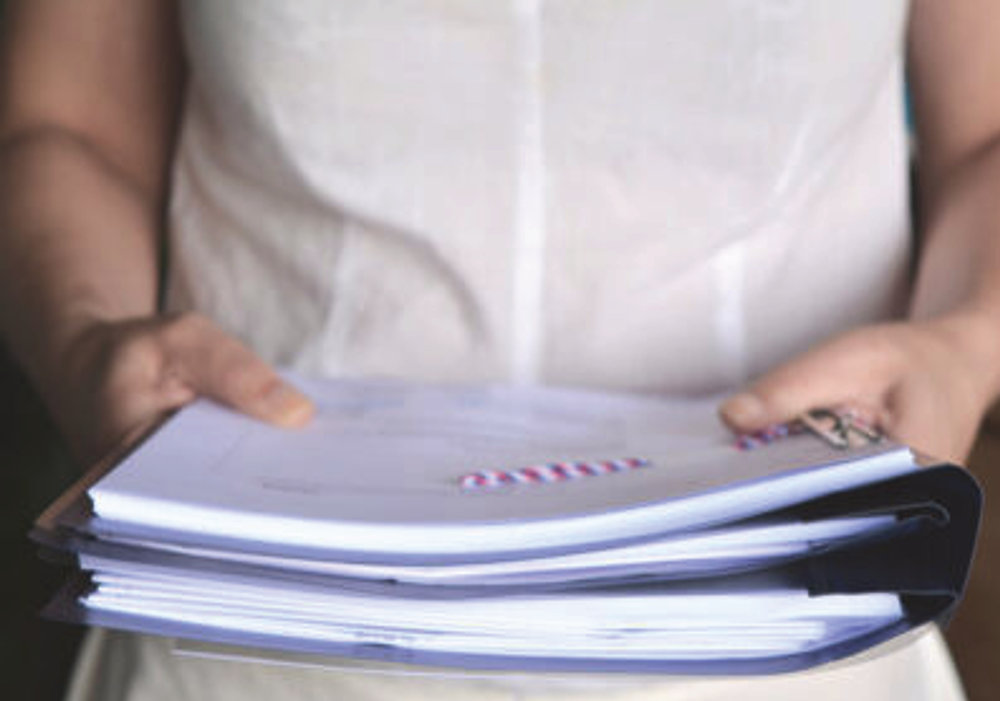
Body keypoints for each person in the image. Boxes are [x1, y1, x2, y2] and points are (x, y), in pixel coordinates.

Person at [0, 1, 996, 699]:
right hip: (239, 635)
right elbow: (69, 121)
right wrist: (85, 333)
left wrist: (966, 342)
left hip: (797, 637)